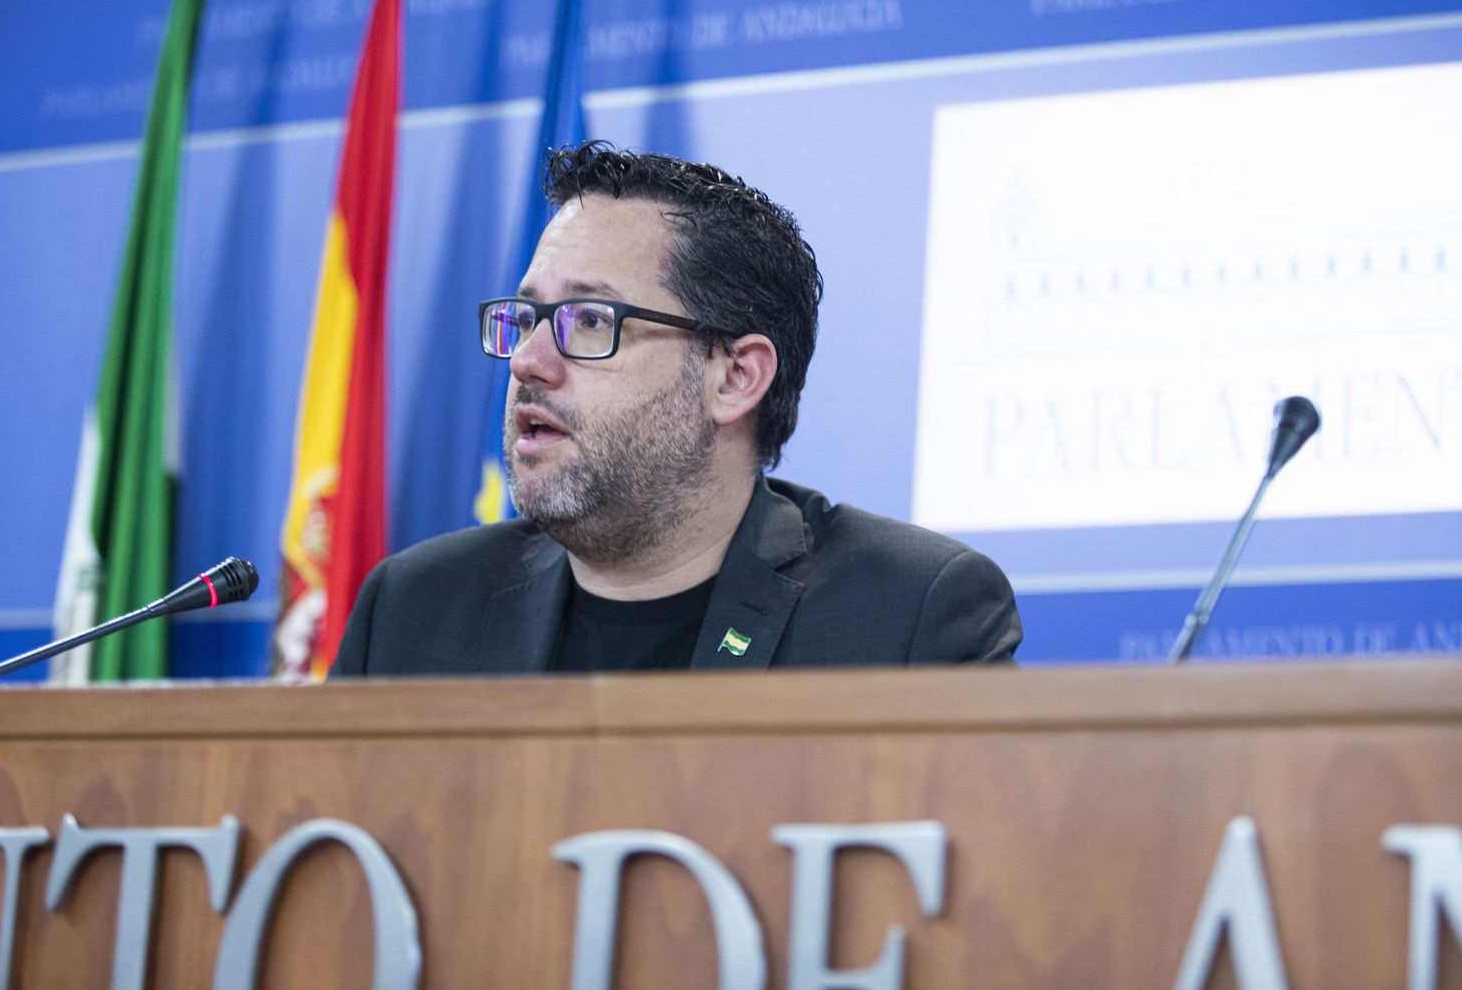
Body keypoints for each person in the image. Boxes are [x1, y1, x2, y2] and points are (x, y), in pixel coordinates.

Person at [331, 141, 1020, 675]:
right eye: (527, 318)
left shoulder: (908, 615)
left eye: (589, 321)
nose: (527, 362)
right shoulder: (413, 610)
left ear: (735, 378)